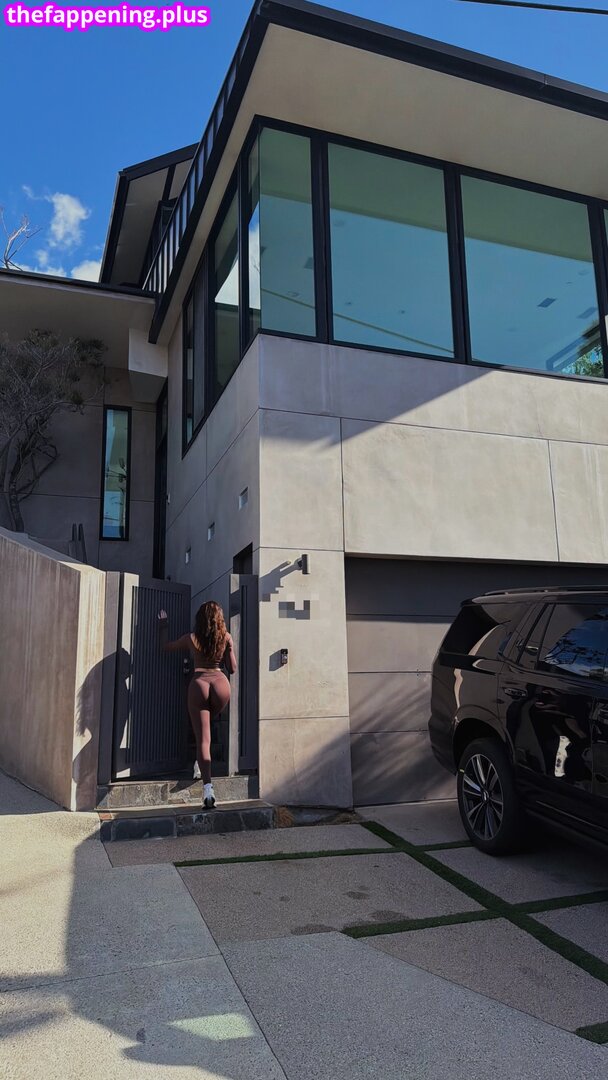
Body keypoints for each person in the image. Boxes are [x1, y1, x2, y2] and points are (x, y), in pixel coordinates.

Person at [157, 601, 237, 809]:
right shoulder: (226, 637)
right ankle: (199, 765)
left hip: (199, 683)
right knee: (207, 725)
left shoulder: (191, 638)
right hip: (221, 685)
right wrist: (229, 647)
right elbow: (232, 668)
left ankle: (208, 790)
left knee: (203, 739)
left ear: (199, 619)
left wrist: (163, 624)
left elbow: (165, 647)